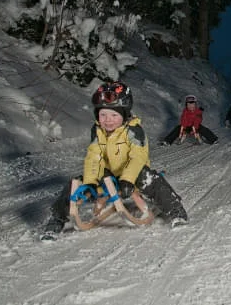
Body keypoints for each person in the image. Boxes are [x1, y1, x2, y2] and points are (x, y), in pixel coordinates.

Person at [42, 81, 188, 240]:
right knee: (75, 184)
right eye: (103, 114)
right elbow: (94, 156)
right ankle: (57, 219)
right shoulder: (97, 130)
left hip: (133, 172)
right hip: (107, 174)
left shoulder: (133, 130)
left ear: (124, 114)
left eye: (114, 115)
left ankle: (176, 210)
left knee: (149, 179)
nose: (108, 120)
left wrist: (127, 179)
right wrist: (90, 181)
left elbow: (138, 157)